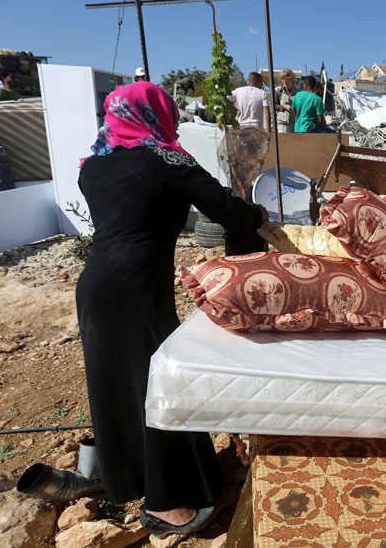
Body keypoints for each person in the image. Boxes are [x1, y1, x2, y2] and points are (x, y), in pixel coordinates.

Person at [77, 82, 267, 539]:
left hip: (98, 287)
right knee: (155, 386)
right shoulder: (165, 158)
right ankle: (167, 504)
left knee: (124, 387)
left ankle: (185, 480)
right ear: (155, 113)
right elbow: (225, 209)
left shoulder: (93, 165)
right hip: (136, 289)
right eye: (169, 111)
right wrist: (260, 218)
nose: (176, 120)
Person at [274, 69, 298, 133]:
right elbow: (273, 106)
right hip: (283, 124)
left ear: (292, 79)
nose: (285, 81)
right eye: (283, 79)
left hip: (295, 122)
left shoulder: (298, 92)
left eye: (287, 79)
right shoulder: (278, 90)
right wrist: (284, 106)